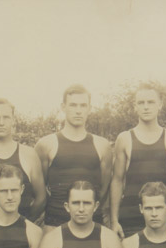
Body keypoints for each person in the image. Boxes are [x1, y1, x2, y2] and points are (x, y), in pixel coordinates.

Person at [109, 85, 166, 238]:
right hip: (131, 220)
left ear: (160, 105)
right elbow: (117, 181)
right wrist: (114, 220)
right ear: (135, 107)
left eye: (151, 102)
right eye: (141, 102)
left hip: (164, 219)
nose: (146, 107)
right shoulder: (124, 138)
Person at [35, 84, 113, 226]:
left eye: (83, 106)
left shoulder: (102, 145)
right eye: (73, 105)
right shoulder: (46, 144)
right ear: (63, 107)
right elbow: (41, 190)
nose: (78, 111)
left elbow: (103, 190)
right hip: (55, 224)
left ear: (89, 109)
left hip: (92, 226)